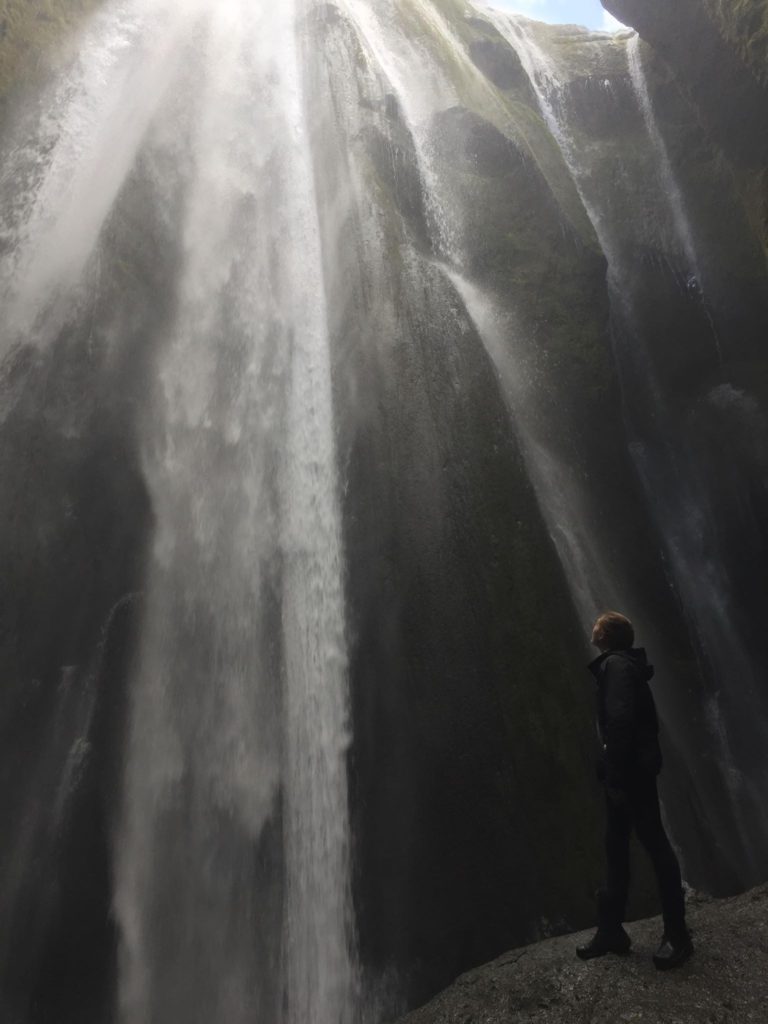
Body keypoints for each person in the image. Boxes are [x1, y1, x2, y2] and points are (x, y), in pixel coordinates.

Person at [576, 611, 694, 970]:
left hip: (629, 776)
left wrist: (613, 776)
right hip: (631, 770)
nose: (592, 626)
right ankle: (611, 931)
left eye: (599, 623)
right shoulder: (623, 665)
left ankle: (677, 936)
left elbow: (621, 720)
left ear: (608, 635)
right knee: (616, 848)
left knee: (654, 846)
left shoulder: (615, 666)